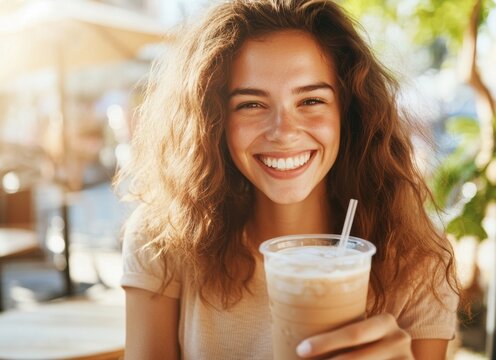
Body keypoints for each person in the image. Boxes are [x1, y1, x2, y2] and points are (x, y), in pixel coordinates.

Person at [116, 0, 461, 359]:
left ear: (349, 111)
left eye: (311, 100)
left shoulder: (415, 261)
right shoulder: (165, 239)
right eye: (251, 104)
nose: (283, 132)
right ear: (214, 120)